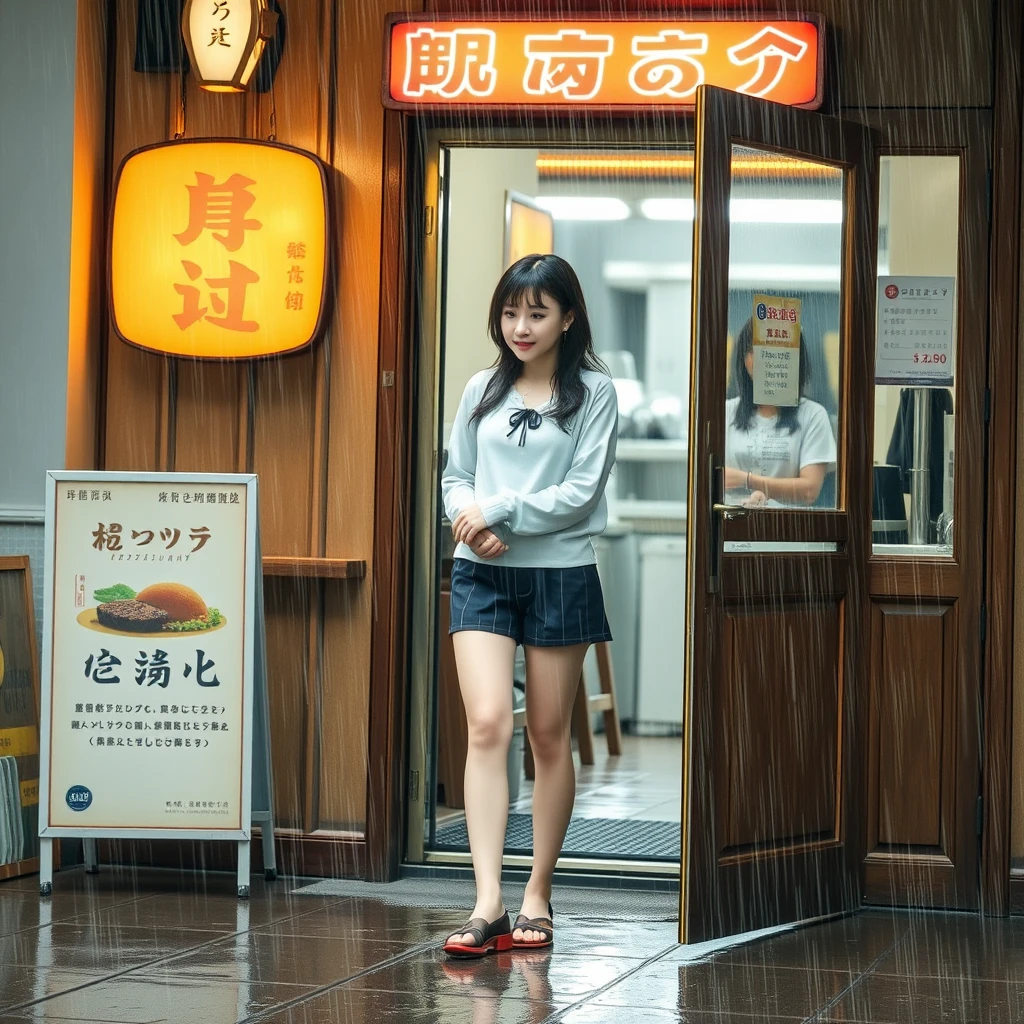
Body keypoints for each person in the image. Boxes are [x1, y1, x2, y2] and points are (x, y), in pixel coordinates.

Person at [440, 254, 618, 958]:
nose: (521, 326)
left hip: (559, 574)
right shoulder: (482, 386)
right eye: (512, 312)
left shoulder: (594, 393)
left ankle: (537, 892)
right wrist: (466, 519)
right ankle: (488, 899)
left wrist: (499, 511)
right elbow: (455, 473)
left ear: (567, 317)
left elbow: (580, 492)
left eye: (538, 313)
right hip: (480, 572)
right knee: (486, 724)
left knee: (548, 736)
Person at [724, 318, 836, 506]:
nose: (765, 359)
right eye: (754, 350)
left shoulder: (813, 415)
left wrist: (748, 480)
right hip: (733, 527)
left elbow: (809, 490)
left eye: (775, 351)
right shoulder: (725, 412)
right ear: (743, 358)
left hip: (789, 528)